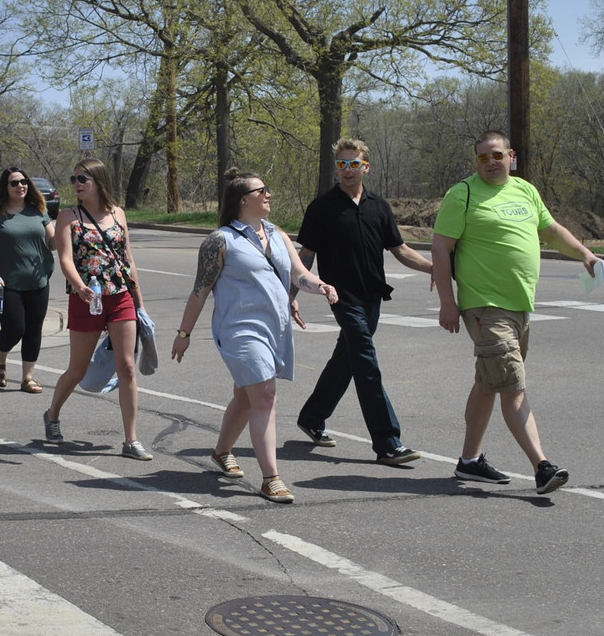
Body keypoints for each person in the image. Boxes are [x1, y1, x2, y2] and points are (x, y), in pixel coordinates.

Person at [432, 130, 601, 495]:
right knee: (513, 385)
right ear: (476, 161)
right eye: (482, 157)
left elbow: (551, 230)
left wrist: (585, 254)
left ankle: (469, 462)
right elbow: (441, 249)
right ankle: (542, 466)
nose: (490, 162)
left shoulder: (525, 190)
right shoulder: (463, 195)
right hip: (485, 308)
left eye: (496, 155)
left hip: (520, 306)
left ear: (511, 156)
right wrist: (448, 302)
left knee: (489, 382)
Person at [171, 171, 337, 503]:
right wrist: (184, 333)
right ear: (244, 199)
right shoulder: (220, 240)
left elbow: (298, 274)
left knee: (247, 397)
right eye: (263, 190)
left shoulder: (277, 234)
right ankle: (271, 478)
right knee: (264, 394)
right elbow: (199, 292)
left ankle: (221, 451)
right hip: (239, 330)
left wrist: (319, 286)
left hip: (273, 328)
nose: (269, 195)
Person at [291, 137, 433, 465]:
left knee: (347, 360)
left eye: (354, 164)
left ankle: (312, 417)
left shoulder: (379, 207)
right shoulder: (322, 208)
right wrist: (291, 295)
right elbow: (306, 256)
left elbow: (400, 250)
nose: (347, 171)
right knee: (366, 363)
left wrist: (435, 268)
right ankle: (387, 442)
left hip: (373, 298)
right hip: (342, 298)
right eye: (342, 164)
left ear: (365, 167)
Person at [42, 157, 149, 460]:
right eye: (74, 179)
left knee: (127, 367)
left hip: (119, 295)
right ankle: (52, 414)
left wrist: (139, 303)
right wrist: (79, 286)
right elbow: (64, 258)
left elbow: (127, 258)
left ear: (98, 181)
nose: (76, 184)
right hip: (87, 298)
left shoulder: (118, 214)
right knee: (78, 369)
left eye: (82, 179)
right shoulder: (68, 216)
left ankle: (131, 440)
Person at [0, 167, 56, 394]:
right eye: (14, 183)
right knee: (14, 328)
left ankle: (27, 378)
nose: (20, 186)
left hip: (39, 280)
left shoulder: (39, 211)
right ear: (6, 187)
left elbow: (51, 243)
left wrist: (62, 236)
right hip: (5, 283)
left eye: (24, 181)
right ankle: (0, 357)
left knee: (33, 330)